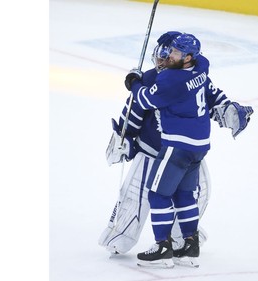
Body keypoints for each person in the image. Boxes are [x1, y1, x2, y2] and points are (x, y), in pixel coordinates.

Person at [124, 33, 253, 268]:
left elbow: (145, 101)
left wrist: (134, 82)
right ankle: (190, 245)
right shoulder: (201, 69)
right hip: (199, 146)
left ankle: (163, 246)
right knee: (185, 195)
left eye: (174, 53)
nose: (168, 56)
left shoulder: (172, 81)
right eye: (169, 51)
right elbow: (211, 91)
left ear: (188, 57)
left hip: (177, 145)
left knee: (158, 194)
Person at [98, 32, 214, 256]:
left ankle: (183, 239)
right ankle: (120, 236)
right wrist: (125, 138)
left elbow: (210, 95)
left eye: (167, 55)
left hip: (179, 150)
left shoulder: (179, 79)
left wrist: (223, 105)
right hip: (155, 151)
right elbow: (133, 111)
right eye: (160, 56)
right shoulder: (157, 77)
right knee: (135, 197)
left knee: (198, 194)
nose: (162, 61)